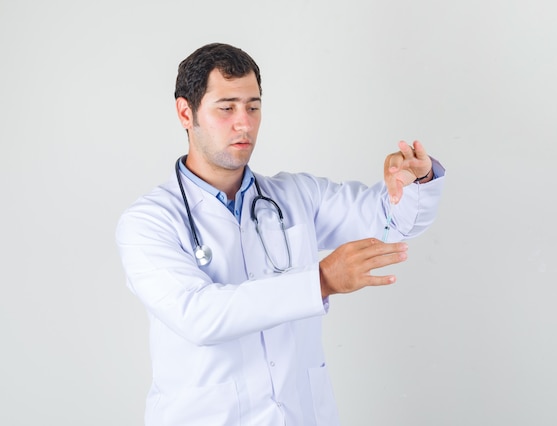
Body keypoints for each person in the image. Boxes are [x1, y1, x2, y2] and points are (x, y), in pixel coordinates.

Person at [116, 42, 445, 426]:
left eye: (253, 107)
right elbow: (198, 316)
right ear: (186, 112)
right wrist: (319, 281)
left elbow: (391, 219)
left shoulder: (295, 196)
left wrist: (414, 180)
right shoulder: (148, 221)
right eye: (226, 108)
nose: (245, 123)